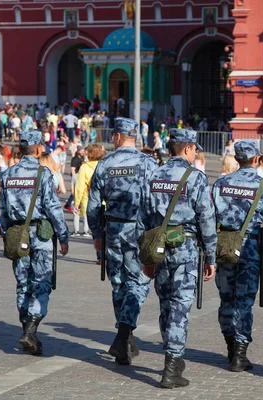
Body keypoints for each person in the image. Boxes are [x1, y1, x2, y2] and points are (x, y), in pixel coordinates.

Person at [138, 129, 217, 389]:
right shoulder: (194, 177)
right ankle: (172, 365)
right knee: (180, 307)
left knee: (165, 305)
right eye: (194, 149)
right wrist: (211, 256)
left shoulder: (152, 174)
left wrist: (146, 255)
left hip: (158, 248)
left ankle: (173, 358)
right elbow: (206, 218)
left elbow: (143, 217)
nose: (196, 153)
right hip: (185, 248)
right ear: (186, 149)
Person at [87, 118, 159, 365]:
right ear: (135, 137)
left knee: (118, 283)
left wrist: (97, 234)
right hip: (139, 230)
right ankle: (124, 334)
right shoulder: (149, 163)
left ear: (117, 136)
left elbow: (93, 205)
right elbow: (157, 201)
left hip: (113, 228)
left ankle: (125, 341)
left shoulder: (105, 163)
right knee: (138, 282)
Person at [211, 140, 263, 372]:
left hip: (224, 246)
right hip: (250, 247)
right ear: (256, 160)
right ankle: (240, 353)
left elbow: (209, 216)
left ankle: (231, 346)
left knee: (226, 297)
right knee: (244, 301)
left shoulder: (221, 183)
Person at [0, 130, 69, 355]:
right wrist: (64, 235)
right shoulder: (43, 173)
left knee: (22, 283)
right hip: (41, 235)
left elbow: (3, 212)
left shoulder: (7, 174)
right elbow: (53, 207)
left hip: (17, 233)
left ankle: (26, 329)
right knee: (42, 282)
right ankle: (31, 329)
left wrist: (6, 234)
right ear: (38, 148)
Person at [74, 144, 105, 238]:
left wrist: (77, 202)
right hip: (104, 199)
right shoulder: (104, 165)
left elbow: (80, 187)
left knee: (95, 229)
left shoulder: (84, 167)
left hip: (89, 199)